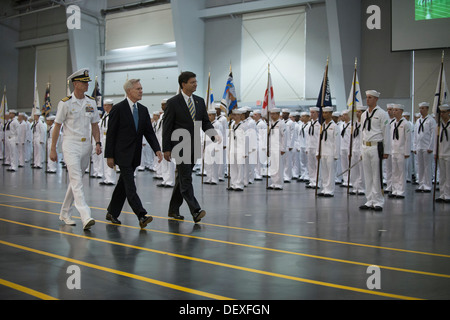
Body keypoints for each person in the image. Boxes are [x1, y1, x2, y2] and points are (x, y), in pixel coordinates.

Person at [162, 71, 221, 222]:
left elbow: (204, 122)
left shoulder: (200, 102)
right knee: (186, 178)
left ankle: (173, 210)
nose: (195, 84)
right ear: (183, 84)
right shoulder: (173, 102)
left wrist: (213, 134)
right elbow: (167, 127)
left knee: (182, 179)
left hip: (194, 145)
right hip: (179, 146)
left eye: (196, 82)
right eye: (192, 82)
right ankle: (195, 210)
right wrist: (166, 148)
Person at [104, 79, 163, 228]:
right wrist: (109, 156)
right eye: (138, 89)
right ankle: (141, 215)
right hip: (122, 154)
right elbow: (111, 134)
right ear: (129, 91)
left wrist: (157, 149)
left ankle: (112, 212)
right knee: (130, 185)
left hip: (135, 155)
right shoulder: (118, 109)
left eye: (141, 88)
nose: (141, 91)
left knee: (123, 185)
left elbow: (149, 133)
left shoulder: (143, 110)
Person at [50, 68, 102, 230]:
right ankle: (85, 215)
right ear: (76, 84)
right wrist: (53, 149)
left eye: (87, 83)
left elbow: (95, 125)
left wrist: (98, 143)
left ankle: (65, 212)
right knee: (77, 180)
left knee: (75, 181)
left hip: (86, 145)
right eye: (84, 82)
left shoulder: (91, 102)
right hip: (70, 145)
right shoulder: (65, 103)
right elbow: (57, 127)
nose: (87, 85)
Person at [359, 90, 391, 211]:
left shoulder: (382, 114)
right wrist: (360, 150)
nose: (367, 100)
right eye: (367, 97)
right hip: (365, 146)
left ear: (376, 99)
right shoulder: (364, 115)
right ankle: (369, 200)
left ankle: (378, 201)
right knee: (367, 175)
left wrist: (386, 150)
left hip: (376, 146)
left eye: (370, 98)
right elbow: (362, 133)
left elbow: (386, 133)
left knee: (376, 174)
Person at [316, 107, 340, 197]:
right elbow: (319, 140)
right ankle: (324, 189)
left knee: (330, 172)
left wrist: (336, 154)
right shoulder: (323, 125)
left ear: (331, 114)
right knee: (324, 172)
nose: (324, 114)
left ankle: (330, 190)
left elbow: (337, 141)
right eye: (323, 113)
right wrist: (318, 152)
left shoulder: (334, 126)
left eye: (326, 113)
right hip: (323, 151)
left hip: (331, 152)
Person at [389, 105, 411, 198]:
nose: (394, 112)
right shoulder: (393, 123)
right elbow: (390, 137)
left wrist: (407, 152)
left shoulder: (406, 123)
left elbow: (408, 139)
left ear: (401, 111)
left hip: (402, 151)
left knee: (402, 172)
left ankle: (401, 191)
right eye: (393, 110)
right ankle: (395, 190)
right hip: (394, 150)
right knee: (394, 171)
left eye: (396, 110)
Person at [414, 102, 436, 193]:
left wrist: (431, 146)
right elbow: (416, 134)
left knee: (427, 167)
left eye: (423, 108)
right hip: (419, 146)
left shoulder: (431, 120)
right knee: (420, 166)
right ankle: (421, 184)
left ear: (427, 109)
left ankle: (427, 185)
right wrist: (415, 147)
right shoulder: (418, 121)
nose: (421, 110)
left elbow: (433, 135)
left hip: (427, 147)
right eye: (420, 108)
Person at [267, 108, 286, 190]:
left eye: (274, 114)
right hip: (272, 147)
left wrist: (283, 148)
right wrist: (268, 148)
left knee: (278, 167)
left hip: (278, 147)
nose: (272, 115)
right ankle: (273, 182)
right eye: (271, 114)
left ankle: (279, 183)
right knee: (273, 166)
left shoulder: (281, 123)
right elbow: (269, 136)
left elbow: (284, 137)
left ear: (278, 115)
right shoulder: (270, 123)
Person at [434, 104, 450, 203]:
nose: (442, 114)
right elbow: (436, 141)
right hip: (441, 153)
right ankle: (442, 194)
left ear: (449, 112)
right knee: (442, 175)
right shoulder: (439, 126)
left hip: (449, 153)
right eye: (441, 112)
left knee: (448, 175)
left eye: (444, 112)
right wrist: (436, 153)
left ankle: (448, 194)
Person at [99, 99, 117, 185]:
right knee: (104, 159)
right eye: (104, 105)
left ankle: (111, 179)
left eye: (106, 105)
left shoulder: (113, 115)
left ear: (110, 106)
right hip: (103, 137)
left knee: (110, 158)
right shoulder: (104, 116)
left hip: (110, 138)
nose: (104, 107)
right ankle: (106, 178)